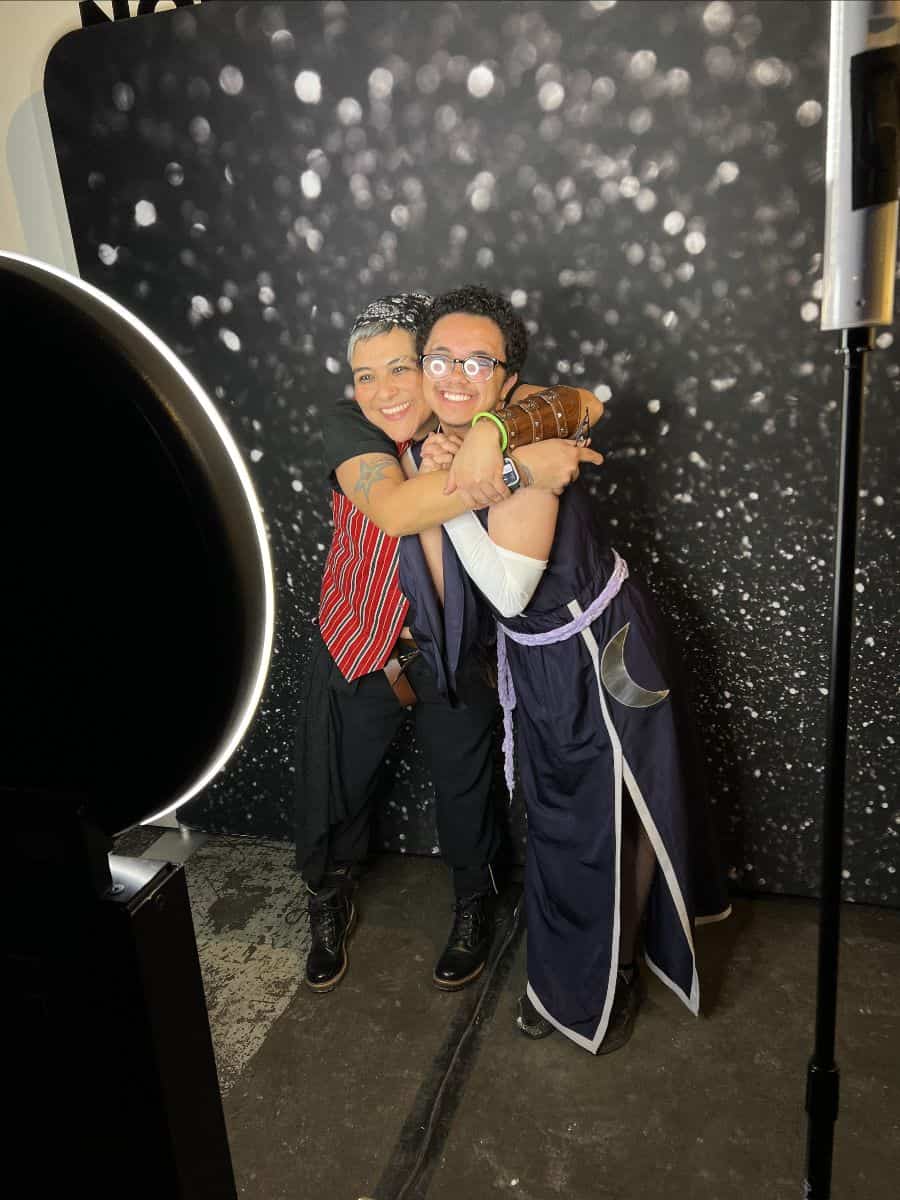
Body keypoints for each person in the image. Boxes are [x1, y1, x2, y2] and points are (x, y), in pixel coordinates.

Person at [398, 285, 731, 1054]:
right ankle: (584, 969)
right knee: (566, 819)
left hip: (600, 651)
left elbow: (510, 587)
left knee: (623, 804)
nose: (453, 374)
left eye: (476, 361)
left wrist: (465, 482)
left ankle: (610, 974)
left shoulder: (524, 432)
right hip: (542, 659)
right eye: (438, 357)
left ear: (508, 378)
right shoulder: (454, 436)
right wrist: (452, 462)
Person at [295, 292, 604, 995]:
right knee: (335, 786)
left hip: (454, 644)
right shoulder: (353, 425)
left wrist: (496, 431)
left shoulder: (471, 404)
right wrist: (520, 468)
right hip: (362, 633)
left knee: (467, 792)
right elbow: (398, 511)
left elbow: (587, 403)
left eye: (400, 367)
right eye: (363, 374)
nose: (382, 390)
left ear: (433, 364)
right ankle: (327, 895)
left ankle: (473, 905)